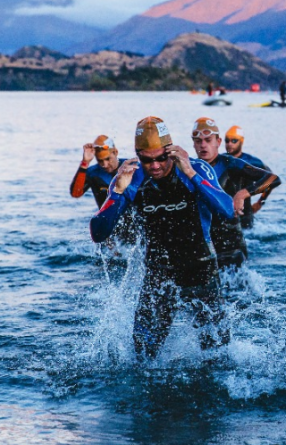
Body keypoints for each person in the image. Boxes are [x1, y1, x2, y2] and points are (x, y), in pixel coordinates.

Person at [90, 116, 234, 360]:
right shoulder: (130, 177)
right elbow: (98, 232)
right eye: (147, 160)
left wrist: (190, 174)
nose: (154, 166)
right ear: (137, 155)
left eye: (160, 158)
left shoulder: (195, 168)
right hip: (159, 274)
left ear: (171, 151)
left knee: (218, 353)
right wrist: (117, 192)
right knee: (142, 355)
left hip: (200, 268)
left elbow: (227, 210)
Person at [191, 117, 281, 268]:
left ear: (218, 142)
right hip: (205, 245)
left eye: (208, 140)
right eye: (198, 141)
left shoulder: (231, 163)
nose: (203, 145)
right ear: (193, 144)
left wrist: (243, 194)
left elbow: (273, 178)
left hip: (232, 244)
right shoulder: (190, 169)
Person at [71, 135, 135, 245]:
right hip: (108, 228)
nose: (105, 164)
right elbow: (76, 193)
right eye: (100, 161)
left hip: (132, 225)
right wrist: (85, 162)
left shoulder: (130, 168)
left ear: (115, 152)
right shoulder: (93, 173)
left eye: (108, 159)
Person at [223, 125, 279, 228]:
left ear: (241, 141)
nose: (230, 144)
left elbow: (272, 180)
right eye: (227, 140)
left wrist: (260, 202)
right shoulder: (221, 160)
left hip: (245, 213)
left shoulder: (252, 162)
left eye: (234, 141)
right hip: (225, 212)